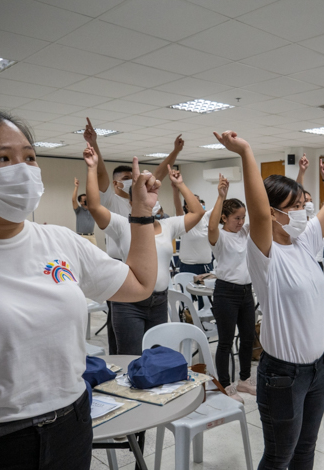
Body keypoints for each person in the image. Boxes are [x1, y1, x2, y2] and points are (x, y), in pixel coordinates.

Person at [0, 110, 160, 470]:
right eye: (3, 159)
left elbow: (139, 284)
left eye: (30, 157)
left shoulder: (60, 241)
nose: (23, 169)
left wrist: (141, 212)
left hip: (69, 432)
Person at [212, 127, 324, 470]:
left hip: (318, 370)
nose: (304, 211)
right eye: (296, 206)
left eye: (303, 204)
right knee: (278, 456)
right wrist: (246, 152)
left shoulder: (307, 242)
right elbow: (255, 206)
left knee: (306, 446)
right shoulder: (265, 252)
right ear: (272, 213)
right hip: (282, 376)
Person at [85, 145, 204, 355]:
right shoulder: (122, 225)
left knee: (156, 356)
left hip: (159, 301)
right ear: (131, 201)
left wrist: (180, 184)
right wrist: (92, 168)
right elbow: (94, 207)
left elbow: (197, 212)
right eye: (144, 192)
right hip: (128, 303)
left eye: (153, 192)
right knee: (131, 357)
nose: (151, 197)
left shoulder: (168, 226)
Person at [208, 174, 256, 403]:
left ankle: (244, 379)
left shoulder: (245, 233)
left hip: (247, 292)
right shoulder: (220, 237)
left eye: (243, 217)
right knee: (226, 341)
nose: (241, 222)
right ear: (224, 218)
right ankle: (225, 384)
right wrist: (221, 197)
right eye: (236, 218)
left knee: (248, 338)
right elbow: (211, 225)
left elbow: (260, 214)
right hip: (226, 293)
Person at [72, 177, 96, 245]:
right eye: (85, 200)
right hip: (82, 236)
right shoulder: (79, 210)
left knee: (94, 254)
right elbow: (73, 200)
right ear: (81, 202)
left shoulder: (93, 210)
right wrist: (76, 187)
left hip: (91, 236)